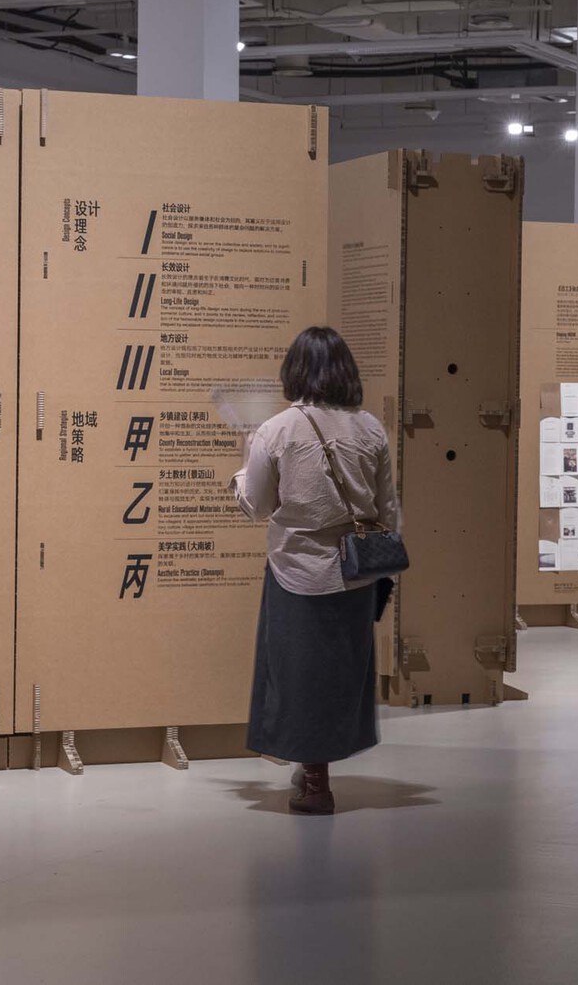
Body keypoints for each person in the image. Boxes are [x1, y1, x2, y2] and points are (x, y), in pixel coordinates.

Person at [229, 327, 400, 815]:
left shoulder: (278, 430)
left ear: (295, 370)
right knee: (342, 673)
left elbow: (256, 505)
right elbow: (387, 505)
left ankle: (316, 782)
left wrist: (243, 463)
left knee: (297, 675)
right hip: (358, 569)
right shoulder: (370, 428)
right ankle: (317, 769)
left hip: (297, 571)